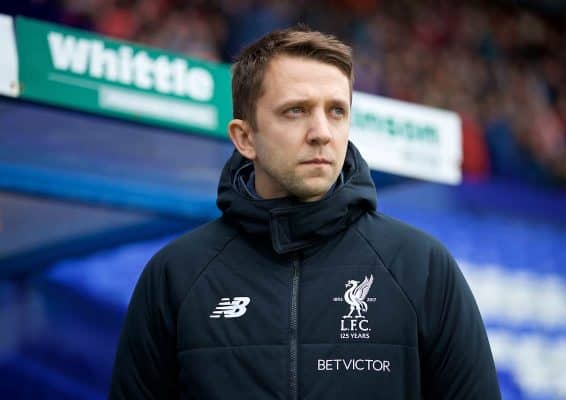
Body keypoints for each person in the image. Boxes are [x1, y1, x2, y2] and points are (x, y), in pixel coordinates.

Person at [109, 27, 501, 399]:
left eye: (336, 111)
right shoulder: (176, 275)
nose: (321, 132)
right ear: (245, 137)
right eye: (296, 111)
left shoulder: (422, 268)